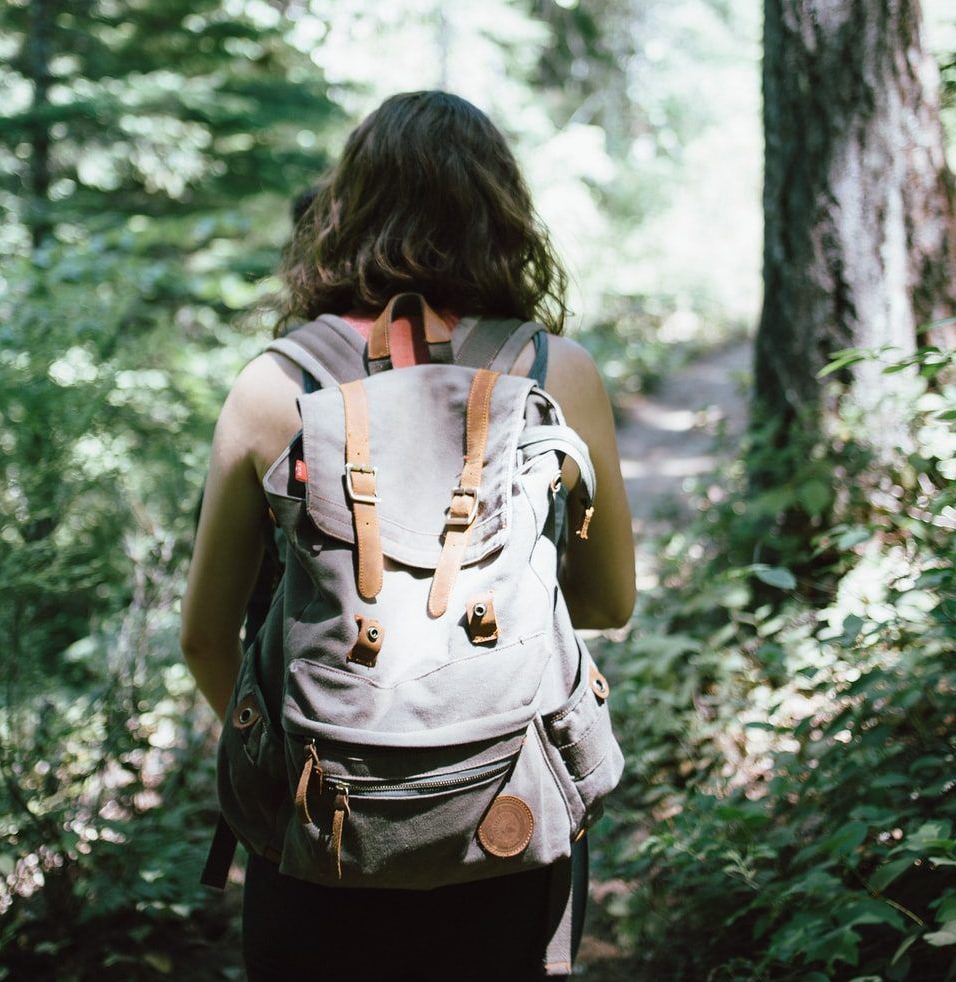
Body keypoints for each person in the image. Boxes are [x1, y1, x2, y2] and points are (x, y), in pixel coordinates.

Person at [179, 90, 636, 980]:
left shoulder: (275, 386)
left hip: (319, 829)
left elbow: (205, 635)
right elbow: (608, 602)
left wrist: (305, 752)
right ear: (502, 214)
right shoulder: (556, 373)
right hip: (510, 810)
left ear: (346, 212)